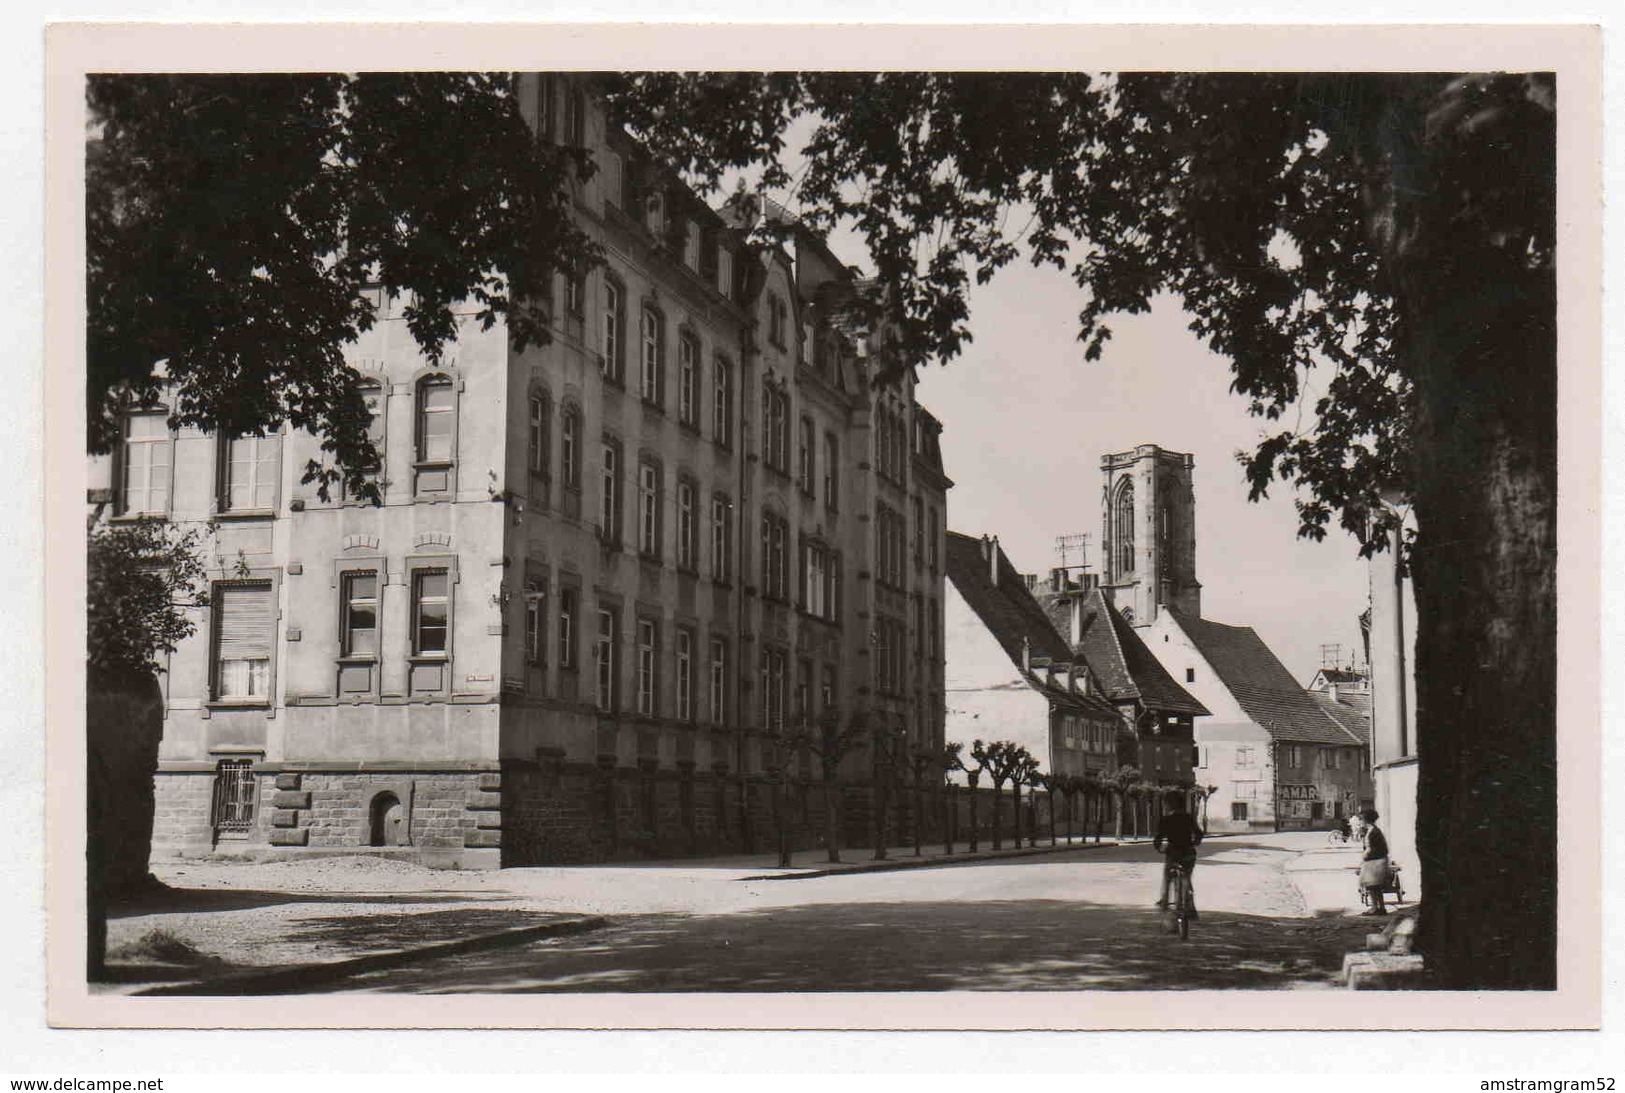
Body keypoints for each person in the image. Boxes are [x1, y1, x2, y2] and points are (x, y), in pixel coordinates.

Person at [1153, 792, 1204, 917]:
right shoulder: (1188, 817)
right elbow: (1199, 833)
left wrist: (1159, 848)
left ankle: (1164, 901)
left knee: (1167, 876)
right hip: (1188, 852)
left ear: (1169, 805)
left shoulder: (1166, 820)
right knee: (1186, 877)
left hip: (1174, 853)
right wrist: (1195, 842)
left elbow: (1158, 838)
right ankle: (1191, 908)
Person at [1358, 808, 1391, 916]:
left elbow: (1371, 848)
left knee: (1372, 886)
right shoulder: (1372, 830)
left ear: (1365, 820)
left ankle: (1375, 908)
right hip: (1376, 861)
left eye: (1361, 819)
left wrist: (1365, 856)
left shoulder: (1373, 832)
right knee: (1375, 886)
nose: (1360, 821)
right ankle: (1380, 907)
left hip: (1375, 862)